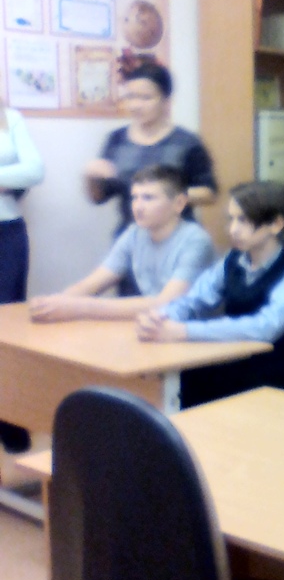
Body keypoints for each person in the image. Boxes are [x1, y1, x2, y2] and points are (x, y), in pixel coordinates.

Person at [137, 181, 284, 409]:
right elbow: (195, 300)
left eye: (243, 220)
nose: (233, 229)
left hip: (266, 372)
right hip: (229, 358)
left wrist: (184, 331)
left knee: (185, 384)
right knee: (171, 381)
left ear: (276, 224)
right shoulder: (232, 261)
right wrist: (160, 318)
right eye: (231, 219)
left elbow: (266, 327)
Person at [29, 165, 214, 322]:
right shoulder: (135, 233)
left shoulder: (196, 241)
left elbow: (167, 303)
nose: (138, 207)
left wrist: (80, 307)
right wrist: (54, 302)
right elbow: (96, 281)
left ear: (179, 203)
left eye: (148, 198)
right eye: (135, 197)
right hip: (157, 327)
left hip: (196, 334)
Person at [84, 60, 217, 235]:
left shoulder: (186, 142)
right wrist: (91, 178)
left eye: (146, 98)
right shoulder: (116, 140)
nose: (136, 105)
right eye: (130, 97)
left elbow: (209, 193)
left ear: (166, 101)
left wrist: (167, 196)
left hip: (178, 235)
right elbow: (99, 198)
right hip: (131, 235)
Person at [0, 94, 44, 454]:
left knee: (8, 328)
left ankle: (10, 418)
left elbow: (34, 171)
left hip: (7, 233)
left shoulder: (9, 117)